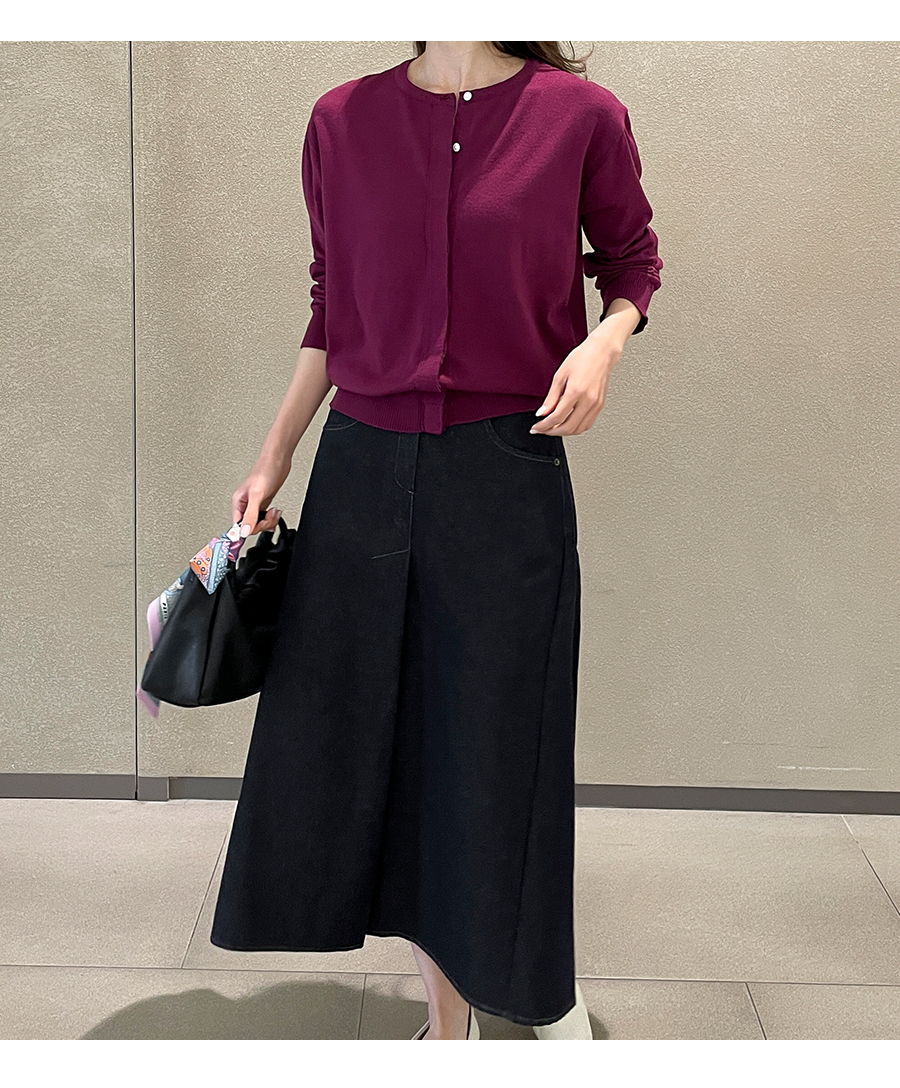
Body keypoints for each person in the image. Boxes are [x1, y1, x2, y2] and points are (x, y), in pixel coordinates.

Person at [209, 40, 663, 1041]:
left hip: (504, 468)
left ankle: (536, 986)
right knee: (382, 738)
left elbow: (633, 261)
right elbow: (331, 304)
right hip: (362, 468)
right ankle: (448, 1023)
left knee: (496, 744)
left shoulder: (579, 116)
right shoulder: (340, 120)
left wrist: (605, 340)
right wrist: (273, 455)